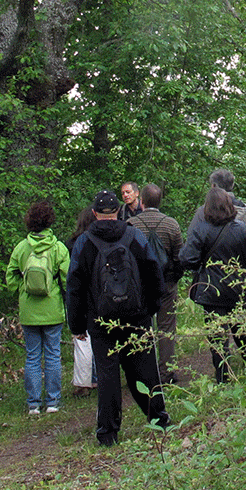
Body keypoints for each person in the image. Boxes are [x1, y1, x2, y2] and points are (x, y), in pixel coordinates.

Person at [66, 190, 169, 446]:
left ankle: (108, 433)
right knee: (145, 370)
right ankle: (159, 420)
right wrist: (152, 307)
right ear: (118, 212)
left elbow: (75, 287)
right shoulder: (133, 235)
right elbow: (153, 271)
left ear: (94, 214)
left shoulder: (84, 243)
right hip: (137, 316)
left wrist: (77, 325)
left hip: (101, 321)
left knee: (108, 376)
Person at [180, 188, 246, 383]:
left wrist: (202, 266)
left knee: (217, 335)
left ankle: (222, 376)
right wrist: (242, 275)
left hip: (211, 289)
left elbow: (187, 258)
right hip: (236, 288)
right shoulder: (242, 229)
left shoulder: (200, 229)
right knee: (241, 329)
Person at [6, 202, 70, 414]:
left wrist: (22, 289)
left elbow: (10, 278)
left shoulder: (21, 247)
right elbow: (67, 279)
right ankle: (53, 401)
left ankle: (33, 403)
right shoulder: (58, 247)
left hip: (29, 310)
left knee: (32, 356)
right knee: (53, 354)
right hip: (52, 308)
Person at [127, 183, 184, 383]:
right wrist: (174, 278)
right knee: (167, 327)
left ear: (141, 201)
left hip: (140, 285)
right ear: (160, 201)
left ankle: (143, 373)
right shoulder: (171, 224)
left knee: (141, 327)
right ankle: (167, 372)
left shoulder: (132, 225)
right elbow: (179, 257)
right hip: (166, 283)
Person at [65, 207, 97, 396]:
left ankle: (84, 381)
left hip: (79, 293)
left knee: (82, 340)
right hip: (97, 293)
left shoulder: (71, 243)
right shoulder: (97, 241)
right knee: (99, 337)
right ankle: (98, 377)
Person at [187, 168, 246, 248]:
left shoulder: (204, 211)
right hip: (237, 260)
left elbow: (191, 240)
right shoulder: (245, 210)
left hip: (209, 260)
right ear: (232, 185)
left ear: (213, 186)